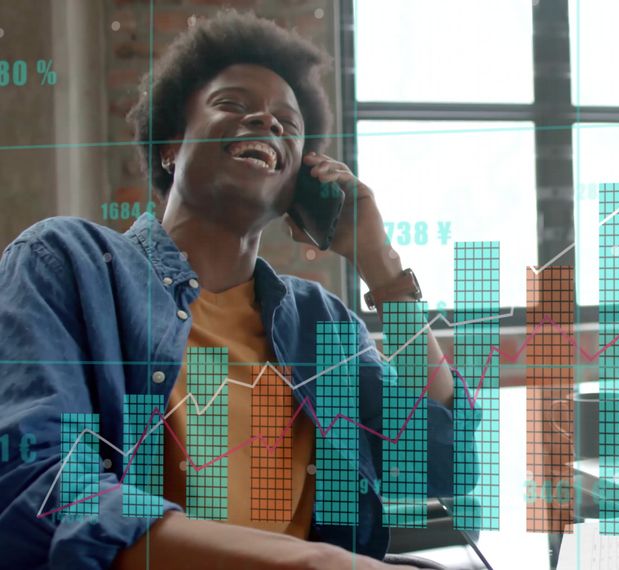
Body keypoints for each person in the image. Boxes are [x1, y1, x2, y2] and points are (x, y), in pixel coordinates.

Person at [0, 12, 475, 569]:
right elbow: (39, 491)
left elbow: (447, 461)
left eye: (288, 125)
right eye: (231, 104)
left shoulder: (321, 321)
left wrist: (381, 263)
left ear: (297, 184)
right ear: (170, 145)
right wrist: (316, 563)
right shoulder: (67, 264)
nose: (266, 121)